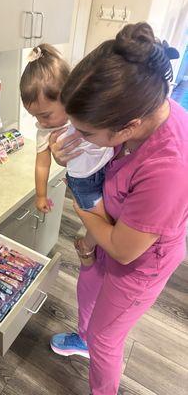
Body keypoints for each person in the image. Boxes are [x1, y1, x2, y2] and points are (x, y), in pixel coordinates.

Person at [49, 22, 187, 395]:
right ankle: (83, 338)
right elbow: (99, 159)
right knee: (89, 283)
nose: (78, 138)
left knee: (106, 338)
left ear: (128, 127)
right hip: (111, 224)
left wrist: (81, 204)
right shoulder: (137, 108)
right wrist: (68, 160)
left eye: (87, 134)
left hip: (140, 260)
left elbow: (125, 250)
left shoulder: (170, 167)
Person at [20, 44, 113, 266]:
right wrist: (40, 195)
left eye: (45, 115)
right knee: (103, 223)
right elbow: (42, 162)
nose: (40, 123)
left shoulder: (84, 111)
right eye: (35, 116)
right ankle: (88, 248)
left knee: (113, 212)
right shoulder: (45, 130)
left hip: (108, 167)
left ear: (68, 96)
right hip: (84, 181)